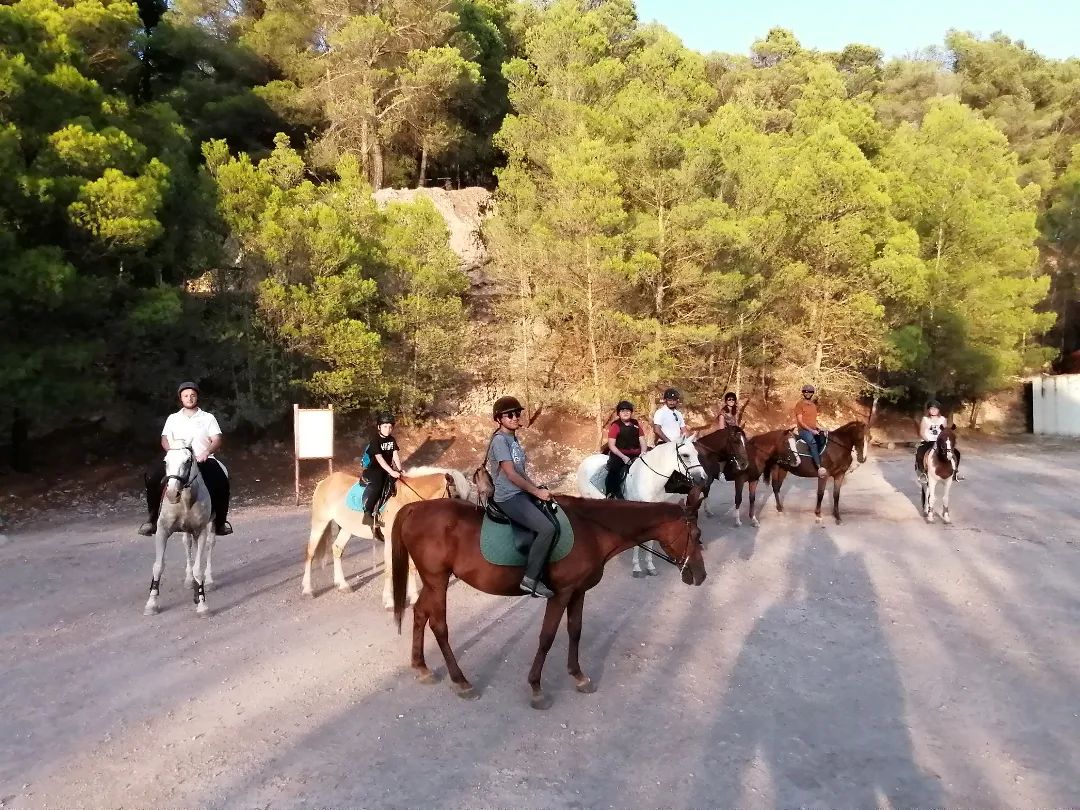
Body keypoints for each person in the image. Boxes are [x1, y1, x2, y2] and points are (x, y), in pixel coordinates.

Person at [139, 382, 232, 536]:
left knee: (222, 481)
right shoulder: (173, 418)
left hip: (202, 459)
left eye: (193, 395)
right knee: (153, 479)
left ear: (197, 397)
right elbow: (165, 439)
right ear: (181, 399)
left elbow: (217, 439)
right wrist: (173, 452)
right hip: (178, 460)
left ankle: (221, 522)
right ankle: (152, 520)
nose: (189, 398)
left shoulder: (208, 418)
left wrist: (206, 452)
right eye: (186, 396)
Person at [486, 396, 557, 599]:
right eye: (510, 414)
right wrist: (536, 492)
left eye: (518, 413)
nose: (516, 417)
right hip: (508, 496)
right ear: (499, 419)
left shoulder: (513, 439)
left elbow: (521, 471)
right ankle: (530, 578)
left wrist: (537, 487)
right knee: (547, 528)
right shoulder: (500, 441)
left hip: (520, 491)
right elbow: (510, 474)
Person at [362, 412, 402, 527]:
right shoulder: (375, 441)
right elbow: (379, 459)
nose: (388, 429)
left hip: (388, 469)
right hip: (374, 470)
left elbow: (395, 456)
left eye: (390, 427)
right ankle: (368, 514)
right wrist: (391, 471)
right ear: (379, 427)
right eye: (385, 426)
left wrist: (399, 469)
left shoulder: (392, 440)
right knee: (378, 485)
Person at [605, 400, 647, 499]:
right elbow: (612, 445)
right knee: (614, 470)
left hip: (636, 454)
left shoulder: (636, 424)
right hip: (620, 454)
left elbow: (642, 441)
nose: (625, 413)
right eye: (622, 411)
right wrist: (623, 457)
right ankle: (611, 493)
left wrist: (643, 452)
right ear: (619, 413)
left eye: (628, 411)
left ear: (631, 412)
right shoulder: (615, 426)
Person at [915, 400, 962, 482]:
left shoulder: (943, 419)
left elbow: (945, 431)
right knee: (920, 452)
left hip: (941, 441)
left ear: (938, 410)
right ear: (929, 410)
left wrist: (944, 440)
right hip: (928, 441)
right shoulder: (925, 419)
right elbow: (922, 432)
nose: (933, 411)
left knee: (956, 452)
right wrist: (928, 440)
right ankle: (923, 472)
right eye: (932, 409)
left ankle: (955, 472)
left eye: (935, 409)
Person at [794, 384, 828, 478]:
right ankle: (819, 468)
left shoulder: (813, 405)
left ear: (812, 393)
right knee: (812, 442)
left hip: (813, 429)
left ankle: (824, 461)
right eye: (805, 391)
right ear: (803, 393)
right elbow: (800, 422)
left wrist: (818, 428)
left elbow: (813, 421)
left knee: (824, 440)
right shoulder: (800, 404)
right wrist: (811, 431)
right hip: (803, 430)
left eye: (810, 392)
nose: (807, 393)